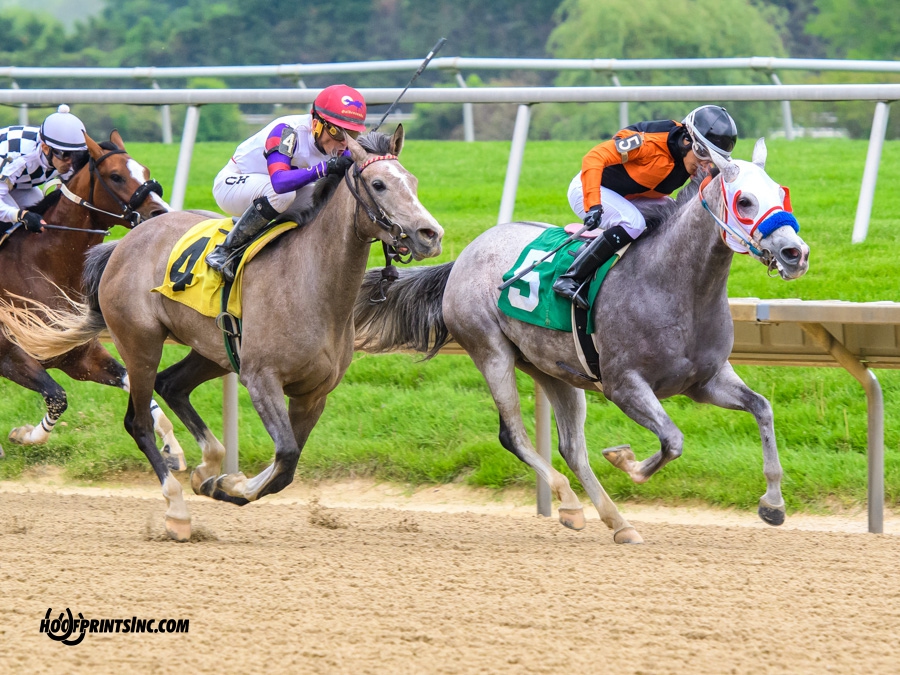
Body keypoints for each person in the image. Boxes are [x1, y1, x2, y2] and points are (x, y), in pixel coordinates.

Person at [553, 105, 738, 310]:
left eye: (712, 160)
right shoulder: (648, 143)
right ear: (687, 141)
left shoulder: (693, 158)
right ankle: (571, 277)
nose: (706, 166)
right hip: (591, 188)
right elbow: (594, 157)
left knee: (675, 217)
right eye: (703, 156)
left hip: (631, 196)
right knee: (633, 223)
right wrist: (594, 203)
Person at [205, 84, 368, 281]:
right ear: (316, 122)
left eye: (352, 135)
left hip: (271, 192)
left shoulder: (343, 146)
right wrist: (325, 168)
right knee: (284, 194)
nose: (344, 143)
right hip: (232, 185)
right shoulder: (287, 132)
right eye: (338, 133)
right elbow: (280, 183)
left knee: (326, 200)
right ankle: (225, 251)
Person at [0, 104, 88, 235]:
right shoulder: (18, 159)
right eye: (65, 155)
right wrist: (21, 216)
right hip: (7, 170)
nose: (71, 162)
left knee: (43, 217)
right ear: (46, 148)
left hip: (15, 183)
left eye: (76, 155)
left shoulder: (59, 152)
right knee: (12, 224)